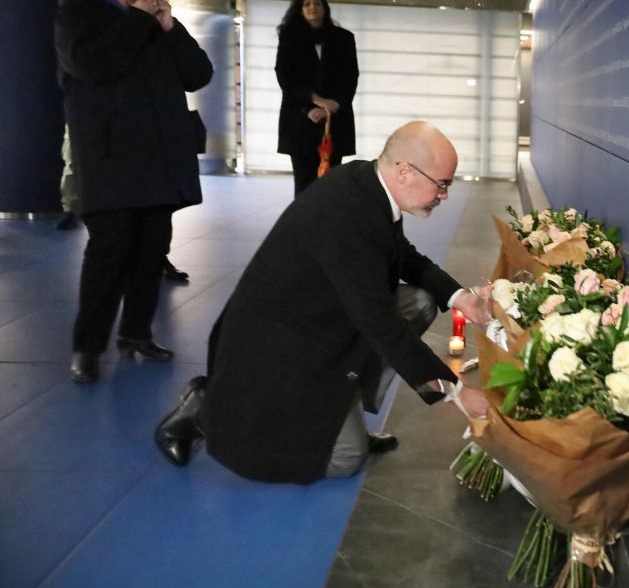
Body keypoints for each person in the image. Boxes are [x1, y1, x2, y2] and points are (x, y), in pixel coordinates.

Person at [154, 121, 491, 483]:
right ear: (405, 172)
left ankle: (337, 413)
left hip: (324, 317)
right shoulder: (347, 217)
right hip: (282, 346)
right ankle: (206, 412)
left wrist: (461, 299)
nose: (444, 195)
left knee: (420, 303)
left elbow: (401, 255)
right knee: (347, 457)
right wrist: (455, 392)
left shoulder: (368, 181)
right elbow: (380, 323)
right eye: (442, 184)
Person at [54, 0, 212, 383]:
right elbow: (92, 65)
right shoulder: (79, 14)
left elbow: (198, 73)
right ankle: (87, 347)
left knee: (151, 251)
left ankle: (137, 333)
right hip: (110, 160)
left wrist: (169, 27)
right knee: (109, 253)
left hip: (158, 159)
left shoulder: (154, 23)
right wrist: (139, 21)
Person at [275, 0, 358, 196]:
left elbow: (350, 76)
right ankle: (304, 228)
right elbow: (286, 78)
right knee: (304, 185)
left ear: (325, 7)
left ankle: (330, 228)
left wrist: (334, 104)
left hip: (334, 120)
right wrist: (313, 103)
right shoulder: (289, 39)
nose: (313, 7)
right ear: (300, 9)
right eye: (307, 4)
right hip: (301, 120)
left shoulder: (344, 38)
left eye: (317, 3)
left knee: (332, 184)